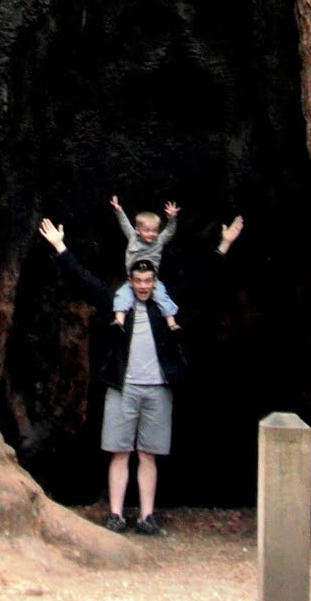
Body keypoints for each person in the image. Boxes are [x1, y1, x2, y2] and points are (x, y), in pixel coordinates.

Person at [38, 211, 244, 535]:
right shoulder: (117, 302)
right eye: (139, 282)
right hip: (123, 387)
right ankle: (117, 515)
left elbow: (201, 277)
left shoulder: (165, 302)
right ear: (130, 281)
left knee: (148, 454)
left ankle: (147, 517)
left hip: (157, 389)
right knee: (119, 453)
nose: (144, 287)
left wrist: (225, 244)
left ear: (154, 281)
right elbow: (85, 280)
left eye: (149, 282)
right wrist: (60, 248)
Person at [109, 195, 180, 326]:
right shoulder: (132, 237)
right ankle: (119, 322)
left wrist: (172, 218)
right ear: (138, 230)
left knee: (162, 296)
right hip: (133, 280)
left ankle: (172, 324)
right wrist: (118, 211)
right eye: (146, 230)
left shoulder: (159, 241)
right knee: (122, 296)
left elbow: (169, 232)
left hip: (152, 280)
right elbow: (125, 224)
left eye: (154, 231)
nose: (151, 234)